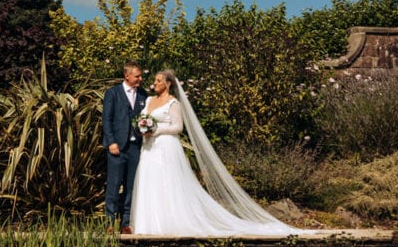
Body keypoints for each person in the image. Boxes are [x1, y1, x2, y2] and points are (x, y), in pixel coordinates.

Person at [130, 69, 307, 237]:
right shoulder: (149, 100)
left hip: (165, 146)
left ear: (168, 84)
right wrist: (143, 127)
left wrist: (156, 129)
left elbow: (178, 127)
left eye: (158, 81)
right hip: (148, 147)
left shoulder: (173, 103)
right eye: (155, 80)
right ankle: (149, 224)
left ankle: (168, 223)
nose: (154, 83)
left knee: (167, 183)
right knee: (150, 180)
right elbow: (143, 119)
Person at [102, 61, 147, 232]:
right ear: (127, 76)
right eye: (137, 76)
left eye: (140, 76)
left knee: (131, 186)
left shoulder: (143, 95)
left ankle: (126, 223)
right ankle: (109, 222)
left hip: (135, 147)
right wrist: (111, 142)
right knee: (113, 185)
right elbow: (106, 120)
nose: (140, 79)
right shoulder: (112, 93)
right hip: (117, 147)